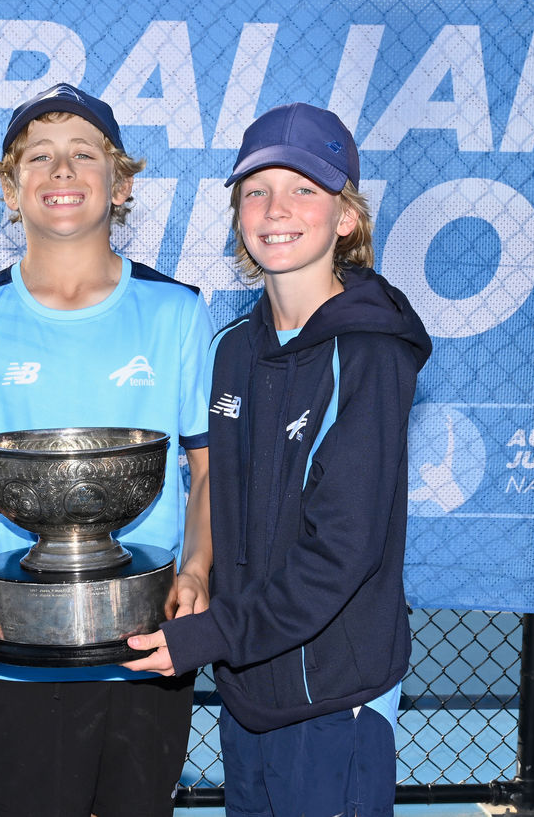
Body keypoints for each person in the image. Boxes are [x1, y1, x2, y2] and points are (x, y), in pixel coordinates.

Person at [123, 102, 432, 817]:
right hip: (247, 686)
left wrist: (211, 634)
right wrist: (195, 578)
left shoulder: (370, 355)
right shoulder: (231, 348)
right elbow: (219, 503)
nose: (276, 209)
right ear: (238, 213)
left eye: (303, 189)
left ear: (346, 217)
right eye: (256, 190)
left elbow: (342, 552)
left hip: (333, 694)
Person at [0, 82, 213, 817]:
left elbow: (209, 472)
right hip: (19, 649)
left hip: (147, 643)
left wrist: (195, 570)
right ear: (11, 189)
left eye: (84, 154)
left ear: (120, 185)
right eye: (40, 157)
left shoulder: (178, 312)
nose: (62, 170)